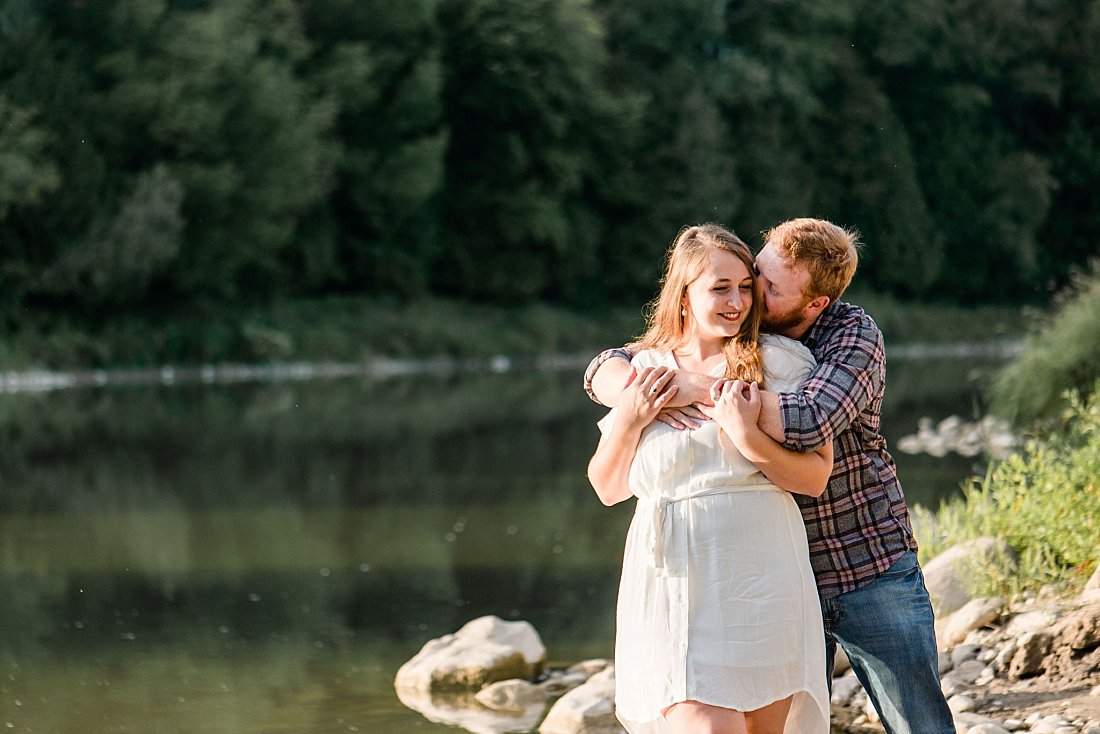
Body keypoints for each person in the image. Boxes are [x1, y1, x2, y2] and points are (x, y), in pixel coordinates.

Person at [585, 218, 956, 734]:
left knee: (917, 723)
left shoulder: (828, 345)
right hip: (688, 578)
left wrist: (716, 401)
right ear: (683, 293)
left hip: (852, 560)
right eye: (740, 279)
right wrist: (636, 403)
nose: (748, 295)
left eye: (760, 285)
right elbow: (607, 461)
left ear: (813, 303)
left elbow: (810, 424)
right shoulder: (647, 373)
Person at [588, 223, 831, 734]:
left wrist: (747, 436)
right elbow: (607, 488)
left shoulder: (783, 362)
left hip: (763, 579)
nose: (738, 301)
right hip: (674, 580)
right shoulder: (644, 373)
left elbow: (813, 478)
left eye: (746, 286)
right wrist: (632, 416)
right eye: (720, 288)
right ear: (683, 295)